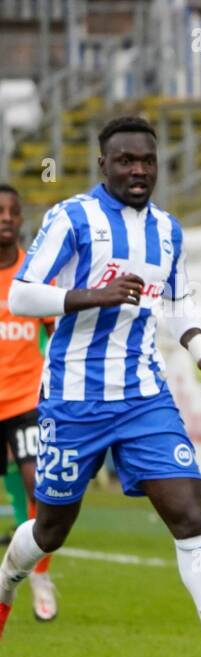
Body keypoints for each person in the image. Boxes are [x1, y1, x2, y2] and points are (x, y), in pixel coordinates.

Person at [0, 116, 201, 657]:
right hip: (73, 398)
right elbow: (22, 292)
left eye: (147, 161)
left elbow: (174, 303)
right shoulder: (73, 218)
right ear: (103, 164)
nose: (138, 170)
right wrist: (90, 295)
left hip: (143, 396)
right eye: (125, 160)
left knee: (189, 513)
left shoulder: (169, 231)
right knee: (51, 529)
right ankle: (9, 578)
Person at [0, 184, 58, 620]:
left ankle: (40, 575)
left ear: (21, 220)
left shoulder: (35, 275)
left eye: (12, 212)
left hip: (25, 399)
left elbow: (58, 335)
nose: (4, 218)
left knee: (39, 484)